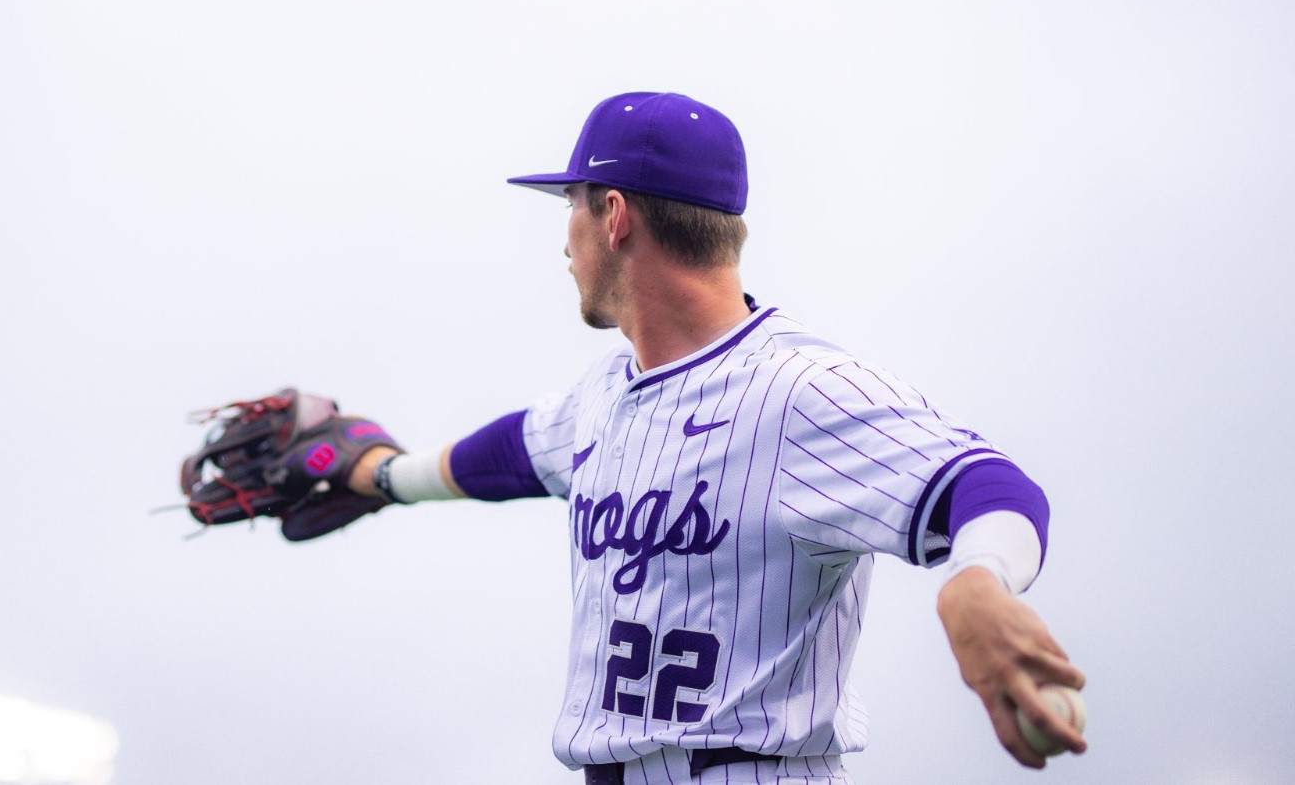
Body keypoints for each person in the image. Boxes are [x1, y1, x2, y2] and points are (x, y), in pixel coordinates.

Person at [345, 91, 1087, 785]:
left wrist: (978, 577)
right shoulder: (606, 392)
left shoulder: (797, 391)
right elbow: (515, 452)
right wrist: (380, 475)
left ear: (614, 215)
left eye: (571, 203)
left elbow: (988, 484)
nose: (564, 239)